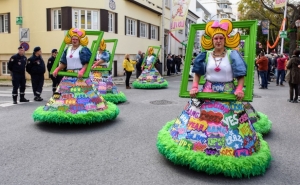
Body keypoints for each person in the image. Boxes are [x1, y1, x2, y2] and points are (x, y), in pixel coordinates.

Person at [156, 20, 271, 178]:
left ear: (225, 40)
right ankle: (197, 147)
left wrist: (239, 89)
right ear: (212, 40)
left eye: (221, 38)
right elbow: (197, 72)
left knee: (230, 126)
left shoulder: (232, 55)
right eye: (215, 38)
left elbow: (240, 74)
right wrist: (195, 86)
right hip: (207, 92)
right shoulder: (205, 55)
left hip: (228, 94)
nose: (218, 41)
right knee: (199, 122)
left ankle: (230, 153)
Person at [32, 28, 119, 124]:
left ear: (80, 40)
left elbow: (87, 62)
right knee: (61, 96)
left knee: (85, 97)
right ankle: (60, 111)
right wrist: (57, 69)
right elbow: (64, 63)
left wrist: (82, 70)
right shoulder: (67, 49)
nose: (74, 40)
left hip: (81, 77)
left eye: (76, 39)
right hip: (68, 76)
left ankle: (89, 111)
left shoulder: (83, 49)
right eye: (73, 38)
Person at [90, 39, 127, 104]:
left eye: (99, 46)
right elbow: (95, 60)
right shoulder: (96, 53)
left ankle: (106, 94)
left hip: (103, 70)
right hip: (96, 70)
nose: (98, 47)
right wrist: (95, 63)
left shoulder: (106, 53)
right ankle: (96, 94)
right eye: (97, 46)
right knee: (95, 82)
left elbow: (103, 60)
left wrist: (95, 63)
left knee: (105, 82)